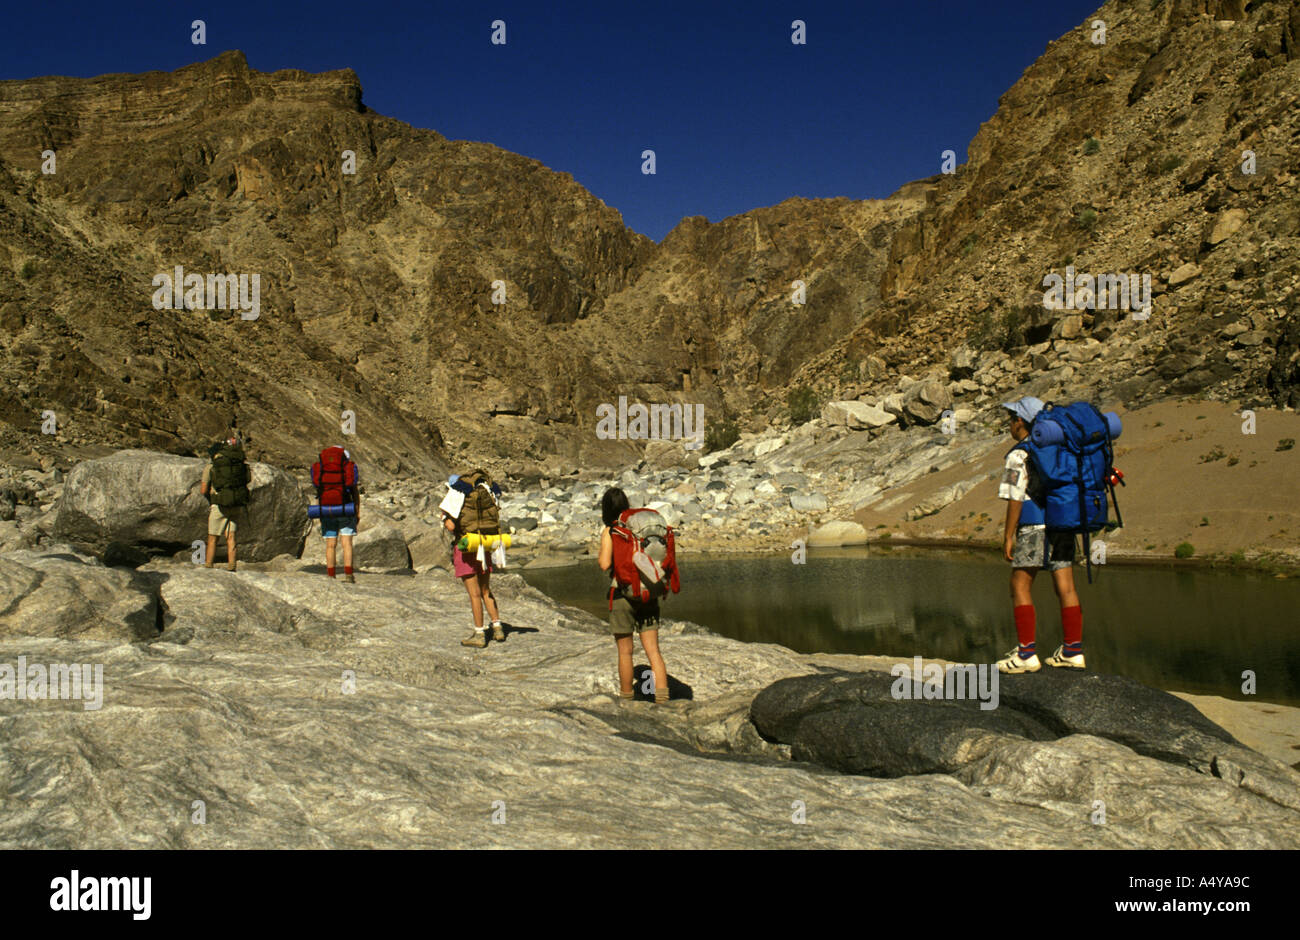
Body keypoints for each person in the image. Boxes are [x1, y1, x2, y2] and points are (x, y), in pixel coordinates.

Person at [995, 396, 1085, 673]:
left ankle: (1026, 654)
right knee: (1066, 587)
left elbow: (1015, 498)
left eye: (1011, 419)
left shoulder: (1018, 455)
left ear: (1020, 422)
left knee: (1019, 586)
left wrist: (1008, 535)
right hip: (1063, 525)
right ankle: (1072, 651)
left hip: (1034, 526)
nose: (1009, 424)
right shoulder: (1059, 450)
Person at [597, 487, 669, 703]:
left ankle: (628, 698)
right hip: (648, 590)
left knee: (625, 652)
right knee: (653, 651)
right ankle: (660, 698)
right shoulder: (636, 529)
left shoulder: (611, 530)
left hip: (622, 594)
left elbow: (604, 564)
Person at [440, 470, 505, 648]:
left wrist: (446, 518)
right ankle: (497, 627)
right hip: (484, 544)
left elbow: (451, 526)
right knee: (486, 590)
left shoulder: (455, 497)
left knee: (474, 594)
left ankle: (479, 633)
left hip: (466, 547)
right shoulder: (482, 493)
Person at [199, 435, 249, 572]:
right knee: (231, 537)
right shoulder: (238, 464)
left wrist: (213, 498)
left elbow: (203, 490)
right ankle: (232, 566)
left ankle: (209, 565)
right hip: (235, 504)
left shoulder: (211, 466)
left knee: (213, 538)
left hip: (218, 505)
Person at [312, 445, 359, 582]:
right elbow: (355, 491)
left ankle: (331, 575)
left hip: (327, 509)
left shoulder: (322, 469)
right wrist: (357, 511)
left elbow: (318, 490)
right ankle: (349, 575)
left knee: (330, 544)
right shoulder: (347, 468)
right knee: (347, 543)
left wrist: (320, 510)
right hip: (345, 508)